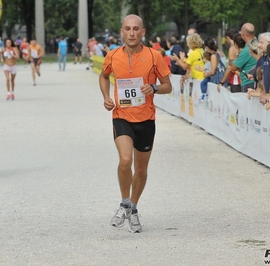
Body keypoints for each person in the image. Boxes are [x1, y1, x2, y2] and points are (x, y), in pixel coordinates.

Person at [99, 14, 172, 233]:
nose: (131, 33)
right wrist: (105, 96)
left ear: (143, 32)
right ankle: (124, 203)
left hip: (146, 119)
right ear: (121, 31)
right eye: (127, 29)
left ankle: (134, 207)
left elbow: (168, 85)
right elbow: (104, 77)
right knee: (125, 160)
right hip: (121, 115)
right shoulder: (112, 56)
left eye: (135, 29)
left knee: (140, 169)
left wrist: (155, 88)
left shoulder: (154, 56)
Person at [217, 23, 257, 92]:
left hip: (248, 82)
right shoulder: (257, 44)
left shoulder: (247, 49)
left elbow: (233, 67)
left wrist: (221, 82)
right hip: (253, 81)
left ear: (243, 34)